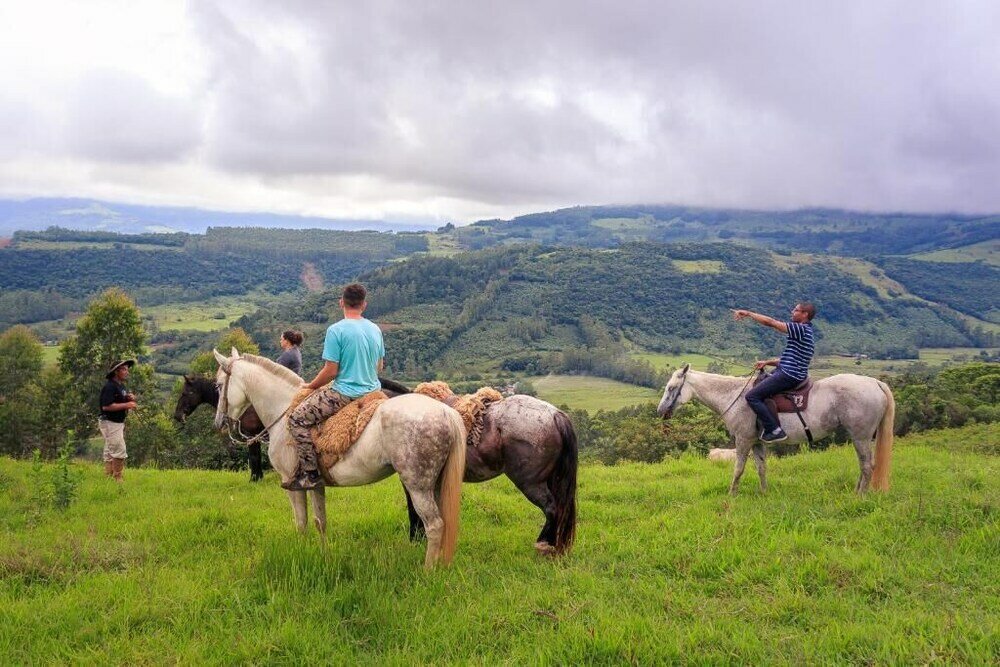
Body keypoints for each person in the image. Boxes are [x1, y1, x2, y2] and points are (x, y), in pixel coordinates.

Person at [284, 283, 385, 491]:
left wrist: (310, 385)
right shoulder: (375, 329)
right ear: (364, 305)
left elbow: (330, 371)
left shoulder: (336, 330)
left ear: (342, 303)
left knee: (296, 419)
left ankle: (310, 475)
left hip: (345, 394)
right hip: (374, 391)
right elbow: (380, 366)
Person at [733, 303, 817, 443]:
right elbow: (788, 359)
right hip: (790, 371)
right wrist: (767, 363)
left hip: (789, 375)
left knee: (752, 396)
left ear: (805, 314)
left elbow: (771, 323)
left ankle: (774, 429)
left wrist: (748, 313)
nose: (792, 311)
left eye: (796, 310)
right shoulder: (804, 332)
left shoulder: (800, 329)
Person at [99, 359, 137, 482]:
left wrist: (128, 398)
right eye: (124, 369)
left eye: (127, 369)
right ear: (116, 371)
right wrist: (127, 405)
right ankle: (118, 478)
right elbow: (107, 406)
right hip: (110, 422)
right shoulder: (109, 386)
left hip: (116, 423)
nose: (127, 372)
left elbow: (119, 399)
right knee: (119, 450)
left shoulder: (120, 385)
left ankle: (109, 477)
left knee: (110, 450)